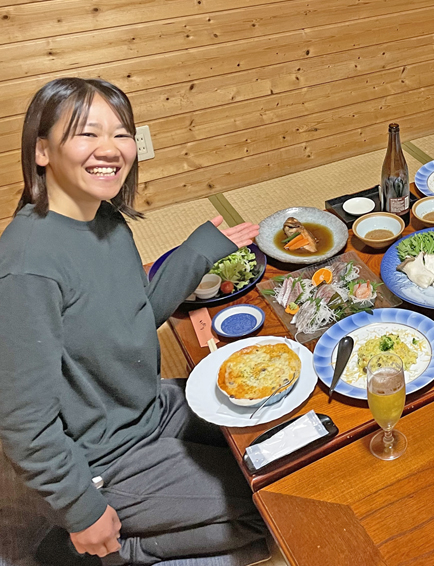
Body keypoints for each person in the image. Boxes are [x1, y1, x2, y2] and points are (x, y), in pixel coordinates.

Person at [0, 78, 267, 564]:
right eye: (87, 134)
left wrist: (197, 252)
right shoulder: (27, 265)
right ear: (42, 150)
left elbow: (134, 317)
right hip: (105, 459)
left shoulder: (103, 219)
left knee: (273, 443)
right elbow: (22, 423)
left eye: (121, 133)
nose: (110, 148)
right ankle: (122, 552)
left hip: (150, 408)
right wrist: (82, 509)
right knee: (269, 512)